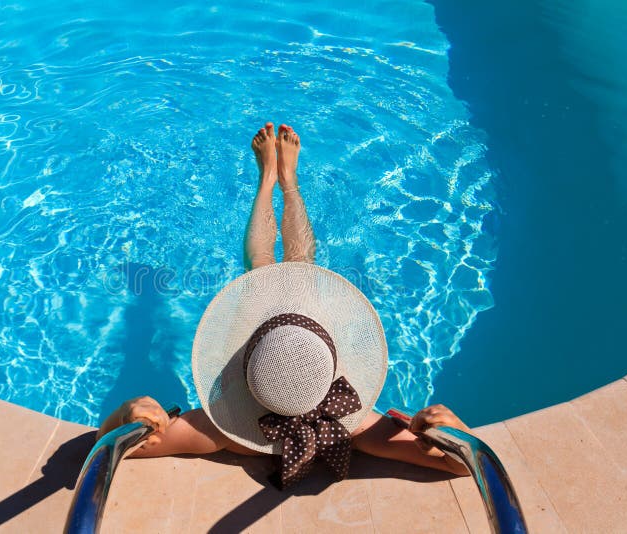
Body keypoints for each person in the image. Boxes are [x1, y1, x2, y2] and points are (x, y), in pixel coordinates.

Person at [99, 123, 471, 486]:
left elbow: (107, 449)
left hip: (279, 344)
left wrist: (124, 416)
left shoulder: (221, 432)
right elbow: (461, 466)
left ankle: (267, 181)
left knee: (262, 266)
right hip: (299, 340)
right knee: (298, 266)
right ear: (334, 367)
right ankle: (288, 183)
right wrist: (456, 434)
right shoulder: (356, 427)